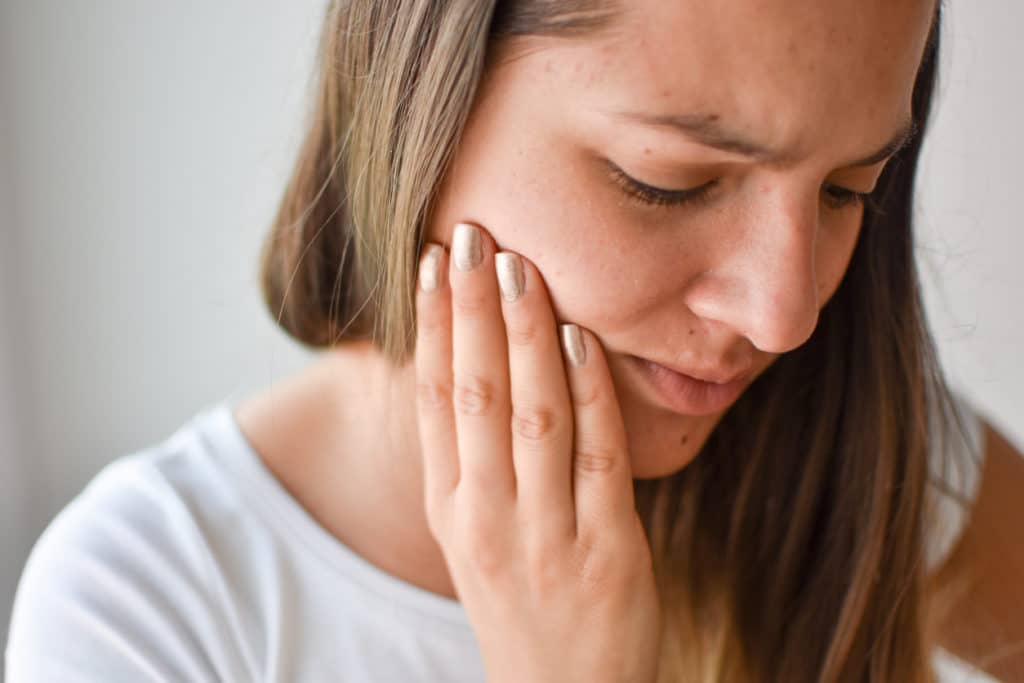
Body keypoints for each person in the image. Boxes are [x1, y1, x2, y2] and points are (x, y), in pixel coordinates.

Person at [6, 0, 1023, 681]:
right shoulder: (149, 607)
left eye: (849, 191)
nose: (782, 316)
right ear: (424, 108)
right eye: (667, 180)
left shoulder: (867, 461)